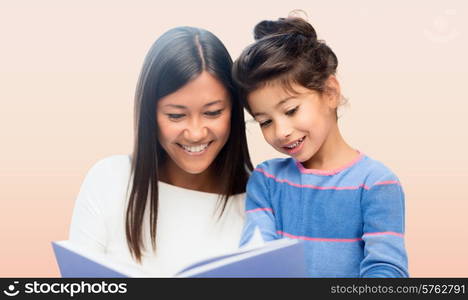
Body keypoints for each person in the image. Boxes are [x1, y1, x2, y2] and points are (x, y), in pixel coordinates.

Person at [232, 16, 408, 277]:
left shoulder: (376, 183)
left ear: (329, 92)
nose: (281, 132)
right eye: (265, 121)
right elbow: (257, 259)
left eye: (291, 110)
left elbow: (386, 271)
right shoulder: (267, 180)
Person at [68, 26, 253, 276]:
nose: (196, 133)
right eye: (176, 115)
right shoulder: (109, 181)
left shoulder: (258, 200)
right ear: (150, 115)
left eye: (212, 112)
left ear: (234, 111)